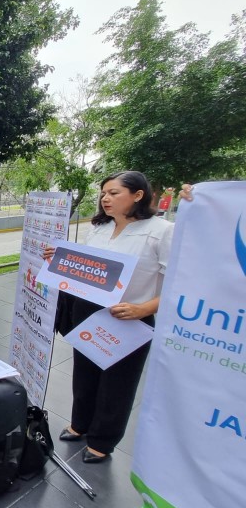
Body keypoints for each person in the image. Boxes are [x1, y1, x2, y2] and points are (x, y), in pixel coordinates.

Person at [46, 171, 173, 464]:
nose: (105, 198)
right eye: (103, 193)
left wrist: (145, 309)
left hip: (130, 317)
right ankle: (80, 424)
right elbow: (84, 271)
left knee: (117, 383)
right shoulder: (99, 228)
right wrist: (59, 260)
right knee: (84, 373)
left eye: (114, 193)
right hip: (88, 311)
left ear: (138, 195)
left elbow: (180, 283)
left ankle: (102, 441)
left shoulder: (162, 230)